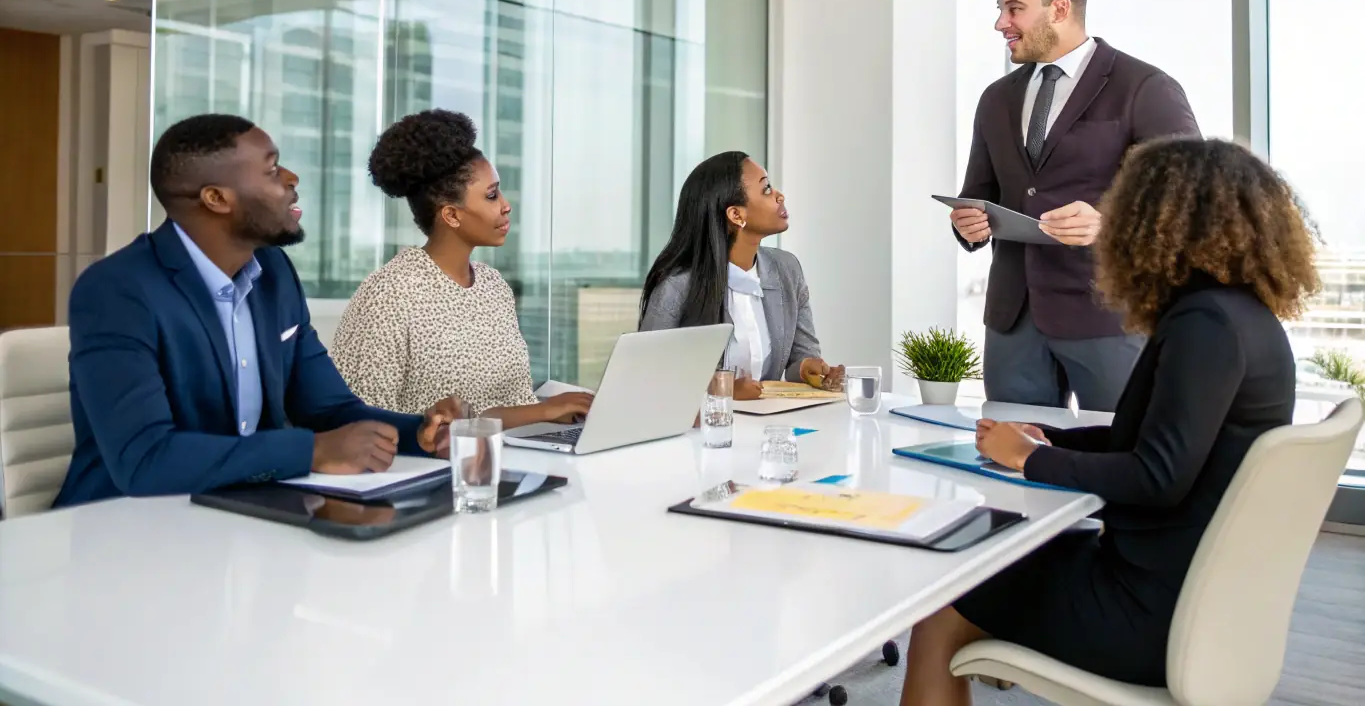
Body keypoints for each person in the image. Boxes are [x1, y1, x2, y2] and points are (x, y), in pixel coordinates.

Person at [901, 137, 1318, 704]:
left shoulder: (1204, 325)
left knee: (947, 591)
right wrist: (1056, 437)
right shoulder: (1240, 315)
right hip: (1202, 592)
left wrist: (1029, 458)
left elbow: (1158, 476)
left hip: (1151, 611)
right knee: (997, 557)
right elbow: (1164, 438)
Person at [54, 115, 463, 508]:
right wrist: (313, 451)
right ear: (216, 198)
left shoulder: (274, 272)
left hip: (244, 510)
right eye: (271, 170)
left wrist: (417, 433)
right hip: (121, 530)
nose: (291, 179)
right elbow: (145, 460)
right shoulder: (117, 291)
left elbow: (329, 408)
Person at [949, 0, 1201, 411]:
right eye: (1000, 10)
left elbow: (1191, 198)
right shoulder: (996, 99)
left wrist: (1109, 223)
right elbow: (979, 193)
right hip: (1013, 320)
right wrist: (967, 221)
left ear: (1060, 9)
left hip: (1109, 315)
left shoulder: (1144, 87)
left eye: (1014, 9)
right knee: (1010, 458)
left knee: (1123, 458)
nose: (1001, 23)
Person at [331, 109, 592, 427]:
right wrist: (543, 410)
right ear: (451, 215)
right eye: (492, 195)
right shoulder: (390, 292)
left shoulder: (493, 285)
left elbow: (512, 401)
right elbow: (362, 421)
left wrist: (557, 412)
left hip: (510, 455)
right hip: (431, 468)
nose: (506, 204)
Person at [638, 151, 841, 400]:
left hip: (771, 426)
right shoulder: (677, 286)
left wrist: (807, 368)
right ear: (736, 215)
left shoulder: (787, 269)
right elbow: (646, 378)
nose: (779, 195)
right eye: (766, 189)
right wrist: (723, 390)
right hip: (705, 433)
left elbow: (800, 354)